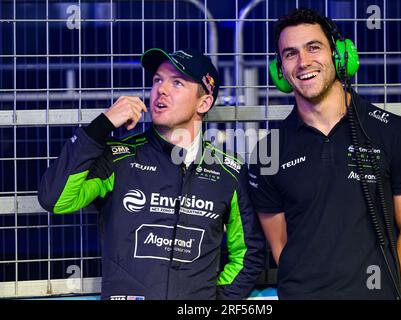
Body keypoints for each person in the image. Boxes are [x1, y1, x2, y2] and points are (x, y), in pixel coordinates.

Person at [38, 48, 265, 300]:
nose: (161, 89)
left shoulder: (228, 171)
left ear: (204, 102)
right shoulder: (119, 157)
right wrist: (101, 126)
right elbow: (55, 198)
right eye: (157, 80)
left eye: (177, 82)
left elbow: (248, 254)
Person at [249, 8, 401, 299]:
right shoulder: (267, 151)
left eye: (314, 47)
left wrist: (388, 295)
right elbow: (282, 246)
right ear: (279, 70)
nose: (304, 62)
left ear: (339, 54)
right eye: (290, 53)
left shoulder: (393, 132)